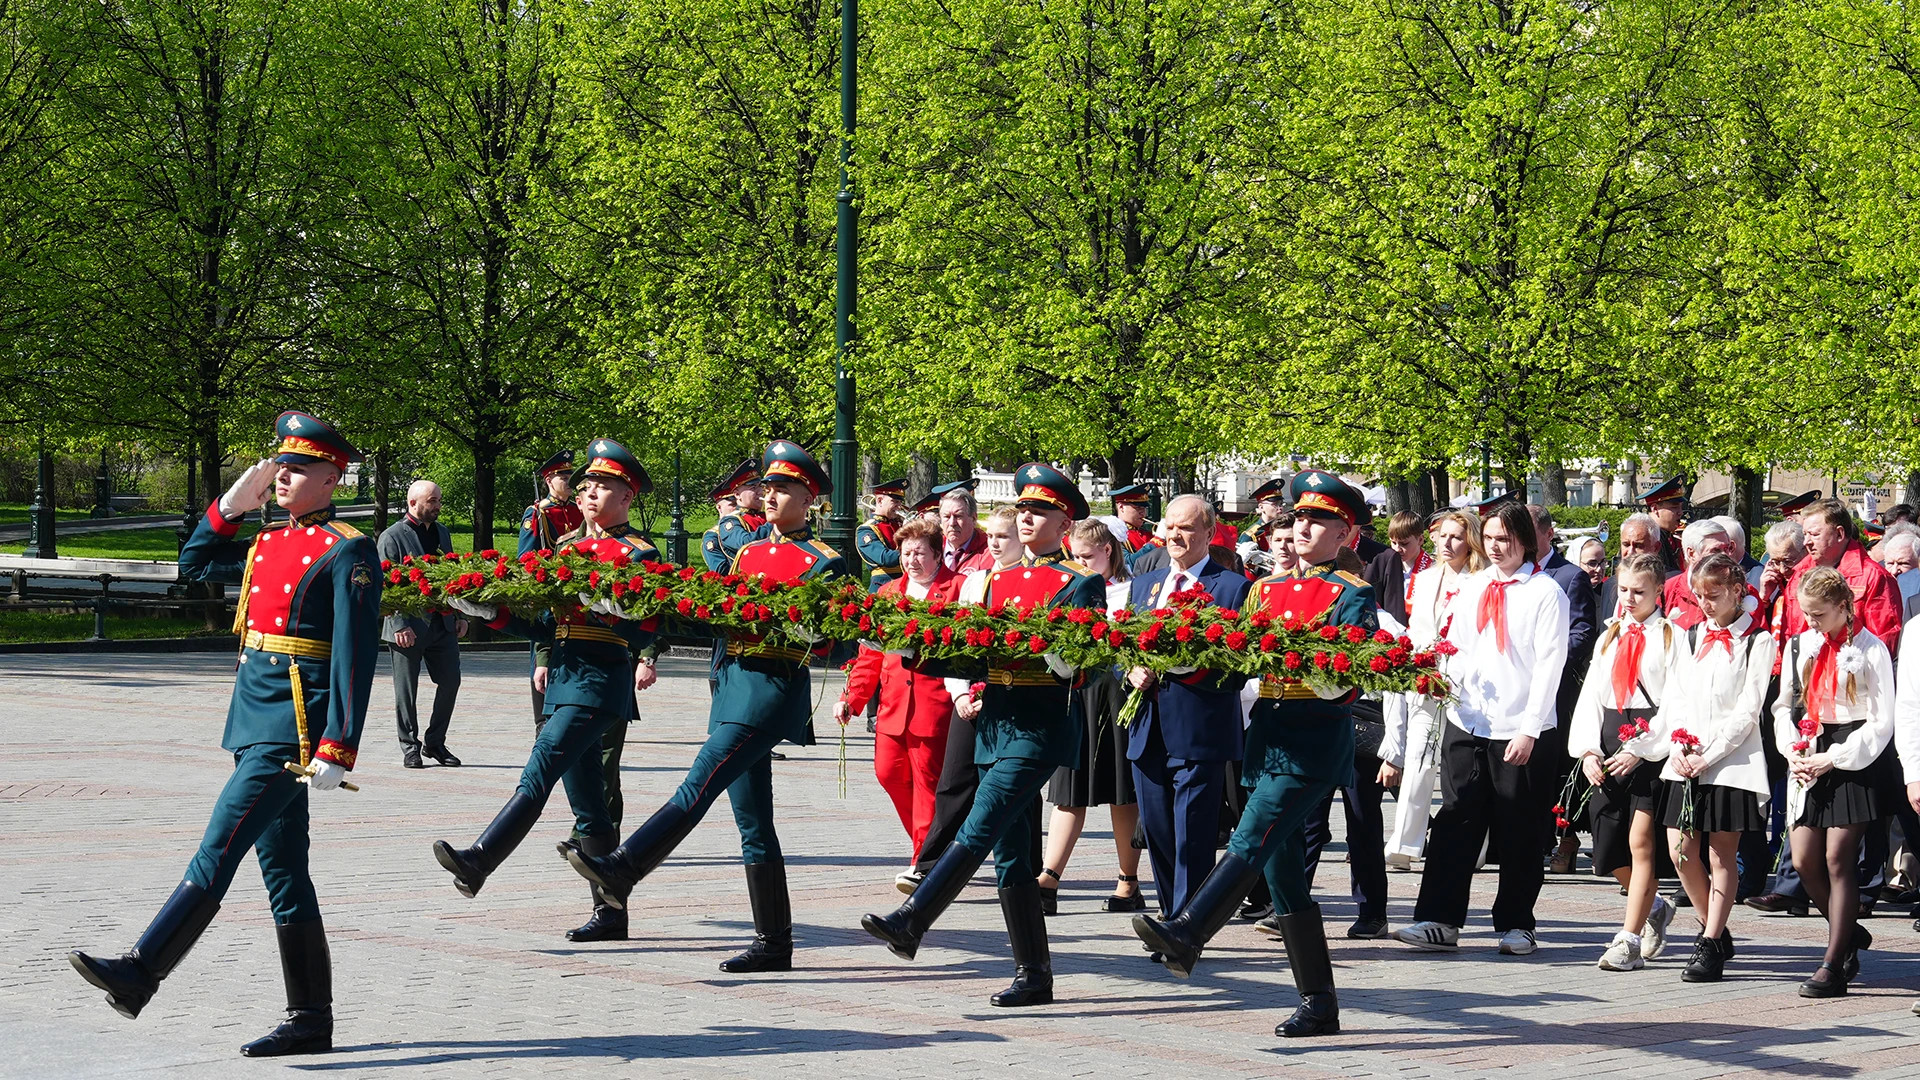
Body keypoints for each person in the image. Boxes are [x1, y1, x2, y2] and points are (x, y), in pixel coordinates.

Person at [70, 411, 378, 1057]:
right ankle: (311, 1021)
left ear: (332, 475)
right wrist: (232, 504)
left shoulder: (347, 548)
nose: (285, 475)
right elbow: (191, 565)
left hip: (296, 728)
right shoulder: (267, 541)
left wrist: (339, 744)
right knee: (285, 872)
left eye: (299, 467)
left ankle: (141, 972)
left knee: (220, 845)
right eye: (281, 465)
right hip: (252, 718)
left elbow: (354, 654)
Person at [565, 441, 846, 973]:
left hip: (769, 688)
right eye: (767, 488)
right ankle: (774, 941)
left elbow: (834, 640)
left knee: (699, 780)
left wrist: (813, 631)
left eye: (783, 489)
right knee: (752, 816)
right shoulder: (746, 554)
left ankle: (627, 866)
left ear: (809, 498)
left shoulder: (823, 562)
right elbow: (713, 619)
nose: (769, 497)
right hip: (730, 684)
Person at [1129, 470, 1377, 1039]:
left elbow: (1350, 682)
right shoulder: (1264, 590)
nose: (1306, 528)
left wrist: (1297, 663)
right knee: (1286, 877)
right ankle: (1319, 1003)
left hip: (1311, 745)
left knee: (1248, 839)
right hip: (1266, 740)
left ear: (1347, 537)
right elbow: (1232, 660)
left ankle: (1189, 930)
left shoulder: (1352, 594)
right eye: (1300, 519)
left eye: (1322, 521)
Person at [862, 463, 1106, 1008]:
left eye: (1039, 510)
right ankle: (1034, 974)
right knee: (1012, 854)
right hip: (995, 724)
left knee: (979, 824)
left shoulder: (1078, 582)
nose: (1026, 518)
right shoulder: (996, 580)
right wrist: (917, 648)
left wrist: (1046, 644)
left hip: (1039, 726)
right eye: (1023, 508)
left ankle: (913, 918)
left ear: (1064, 520)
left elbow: (1082, 667)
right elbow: (973, 652)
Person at [437, 440, 662, 944]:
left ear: (628, 497)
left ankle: (480, 859)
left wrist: (618, 614)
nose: (588, 492)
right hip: (564, 678)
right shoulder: (562, 551)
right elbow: (542, 623)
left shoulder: (639, 553)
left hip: (600, 681)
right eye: (586, 485)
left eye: (603, 485)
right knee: (589, 806)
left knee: (539, 769)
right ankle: (611, 915)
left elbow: (649, 627)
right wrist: (487, 611)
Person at [1396, 501, 1569, 957]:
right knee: (1455, 818)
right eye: (1490, 537)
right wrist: (1441, 681)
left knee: (1520, 826)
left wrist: (1530, 728)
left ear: (1526, 541)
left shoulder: (1544, 592)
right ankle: (1438, 918)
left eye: (1506, 538)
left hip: (1520, 725)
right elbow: (1458, 646)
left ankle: (1516, 923)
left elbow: (1551, 664)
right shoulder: (1473, 586)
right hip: (1467, 718)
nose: (1497, 546)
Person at [1124, 495, 1253, 920]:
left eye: (1186, 528)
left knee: (1193, 834)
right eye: (1170, 526)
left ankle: (1186, 923)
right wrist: (1130, 671)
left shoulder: (1233, 587)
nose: (1175, 535)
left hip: (1201, 729)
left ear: (1209, 533)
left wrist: (1190, 665)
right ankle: (1170, 916)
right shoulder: (1145, 585)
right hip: (1147, 726)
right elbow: (1121, 647)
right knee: (1158, 832)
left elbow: (1238, 670)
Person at [1773, 567, 1897, 996]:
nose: (1810, 622)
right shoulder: (1800, 645)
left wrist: (1835, 757)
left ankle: (1833, 964)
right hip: (1811, 744)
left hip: (1854, 752)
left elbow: (1882, 720)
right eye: (1805, 613)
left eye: (1819, 614)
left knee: (1839, 857)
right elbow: (1784, 706)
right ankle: (1846, 935)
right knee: (1805, 859)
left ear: (1843, 606)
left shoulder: (1870, 647)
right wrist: (1794, 749)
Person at [1659, 553, 1775, 981]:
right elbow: (1675, 696)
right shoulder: (1689, 637)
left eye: (1715, 595)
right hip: (1685, 757)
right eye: (1700, 596)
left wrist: (1710, 754)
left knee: (1720, 852)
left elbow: (1749, 710)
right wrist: (1678, 742)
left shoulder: (1757, 641)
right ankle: (1716, 926)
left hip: (1731, 762)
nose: (1706, 603)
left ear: (1737, 591)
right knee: (1680, 849)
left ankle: (1708, 942)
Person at [1567, 553, 1683, 971]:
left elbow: (1674, 701)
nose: (1630, 598)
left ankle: (1628, 939)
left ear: (1658, 592)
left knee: (1640, 841)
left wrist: (1643, 749)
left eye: (1640, 591)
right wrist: (1587, 750)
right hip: (1610, 740)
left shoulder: (1671, 636)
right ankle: (1654, 908)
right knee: (1609, 846)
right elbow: (1592, 695)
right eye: (1624, 590)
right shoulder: (1609, 636)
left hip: (1650, 746)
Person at [906, 506, 1029, 891]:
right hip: (969, 696)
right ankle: (929, 866)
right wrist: (959, 692)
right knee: (954, 781)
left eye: (1003, 536)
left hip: (1011, 696)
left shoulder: (1034, 581)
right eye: (991, 535)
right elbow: (957, 646)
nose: (994, 543)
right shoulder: (975, 583)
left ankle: (1029, 873)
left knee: (1016, 793)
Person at [836, 518, 959, 879]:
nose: (912, 560)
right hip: (892, 707)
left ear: (938, 554)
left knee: (927, 784)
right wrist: (851, 698)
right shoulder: (888, 593)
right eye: (906, 552)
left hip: (934, 705)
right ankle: (935, 847)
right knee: (888, 772)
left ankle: (922, 860)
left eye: (920, 552)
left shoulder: (957, 589)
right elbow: (870, 655)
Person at [1036, 518, 1146, 914]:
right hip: (1079, 693)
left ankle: (1128, 881)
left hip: (1118, 693)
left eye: (1087, 556)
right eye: (1074, 556)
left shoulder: (1131, 591)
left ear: (1108, 551)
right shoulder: (1072, 587)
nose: (1080, 563)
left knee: (1120, 790)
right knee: (1068, 789)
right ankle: (1048, 878)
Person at [1381, 510, 1485, 869]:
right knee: (1419, 760)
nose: (1447, 543)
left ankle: (1475, 845)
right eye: (1442, 536)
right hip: (1426, 679)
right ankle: (1405, 843)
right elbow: (1418, 628)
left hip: (1468, 687)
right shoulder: (1425, 579)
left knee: (1464, 768)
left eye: (1456, 537)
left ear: (1470, 540)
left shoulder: (1482, 580)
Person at [1530, 504, 1599, 872]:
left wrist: (1547, 664)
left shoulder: (1569, 575)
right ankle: (1535, 839)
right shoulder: (1518, 574)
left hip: (1557, 690)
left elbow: (1582, 632)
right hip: (1521, 692)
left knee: (1560, 768)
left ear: (1547, 533)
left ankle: (1567, 839)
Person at [379, 480, 466, 769]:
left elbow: (453, 576)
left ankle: (435, 743)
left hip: (442, 623)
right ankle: (409, 746)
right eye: (432, 501)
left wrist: (460, 614)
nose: (438, 506)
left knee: (451, 680)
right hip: (408, 628)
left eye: (439, 500)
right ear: (413, 503)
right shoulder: (392, 537)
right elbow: (387, 586)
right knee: (407, 690)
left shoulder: (443, 533)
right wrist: (400, 623)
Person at [1661, 520, 1737, 630]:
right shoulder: (1667, 591)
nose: (1725, 556)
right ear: (1691, 554)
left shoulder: (1742, 590)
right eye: (1716, 550)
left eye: (1728, 548)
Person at [700, 459, 768, 572]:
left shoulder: (763, 516)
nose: (760, 491)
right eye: (753, 488)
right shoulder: (730, 523)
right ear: (737, 494)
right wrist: (776, 522)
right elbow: (746, 544)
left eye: (760, 486)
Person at [517, 450, 583, 555]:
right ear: (549, 481)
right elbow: (526, 557)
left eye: (571, 478)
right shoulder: (537, 512)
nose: (569, 482)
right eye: (564, 478)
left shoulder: (579, 509)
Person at [854, 477, 907, 587]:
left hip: (905, 582)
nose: (899, 506)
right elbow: (885, 558)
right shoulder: (867, 529)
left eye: (900, 502)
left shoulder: (899, 524)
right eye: (895, 501)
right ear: (880, 501)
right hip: (883, 585)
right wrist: (915, 551)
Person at [936, 481, 994, 574]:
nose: (952, 523)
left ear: (974, 518)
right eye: (946, 516)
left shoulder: (990, 551)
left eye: (958, 516)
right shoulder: (933, 548)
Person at [1640, 477, 1688, 572]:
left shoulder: (1666, 535)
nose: (1680, 512)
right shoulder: (1648, 537)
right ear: (1655, 509)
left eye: (1681, 508)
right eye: (1674, 507)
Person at [1111, 483, 1159, 555]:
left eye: (1144, 508)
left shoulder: (1146, 533)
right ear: (1121, 507)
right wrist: (1158, 540)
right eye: (1138, 508)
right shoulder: (1114, 534)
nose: (1143, 513)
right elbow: (1128, 562)